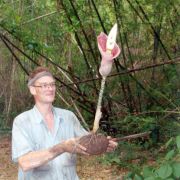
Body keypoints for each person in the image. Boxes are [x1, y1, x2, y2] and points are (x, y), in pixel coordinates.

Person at [12, 66, 117, 180]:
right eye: (44, 85)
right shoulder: (22, 121)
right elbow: (25, 162)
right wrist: (62, 147)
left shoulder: (68, 117)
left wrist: (103, 144)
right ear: (32, 89)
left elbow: (86, 143)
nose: (50, 88)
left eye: (52, 84)